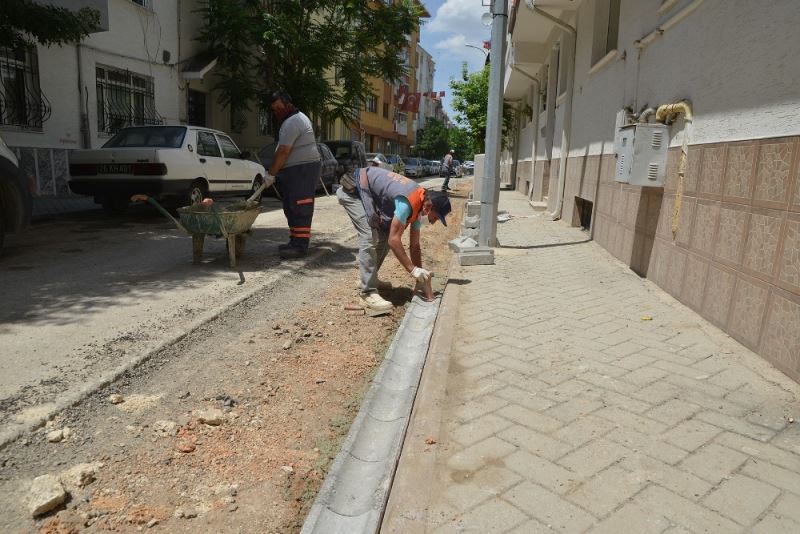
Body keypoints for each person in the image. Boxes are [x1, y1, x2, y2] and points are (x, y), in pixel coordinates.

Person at [336, 165, 451, 314]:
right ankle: (367, 293)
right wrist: (413, 270)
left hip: (365, 193)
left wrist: (420, 279)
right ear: (429, 208)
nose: (434, 222)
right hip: (352, 192)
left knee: (385, 235)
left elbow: (415, 245)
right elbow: (394, 240)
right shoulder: (409, 202)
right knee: (369, 235)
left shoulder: (419, 205)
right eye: (435, 218)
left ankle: (370, 278)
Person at [265, 91, 321, 259]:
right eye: (274, 109)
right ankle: (295, 241)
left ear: (288, 104)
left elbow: (283, 151)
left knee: (300, 205)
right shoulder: (293, 120)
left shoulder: (293, 121)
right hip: (296, 169)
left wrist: (270, 174)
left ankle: (300, 246)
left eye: (278, 108)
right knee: (291, 205)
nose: (276, 112)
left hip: (303, 169)